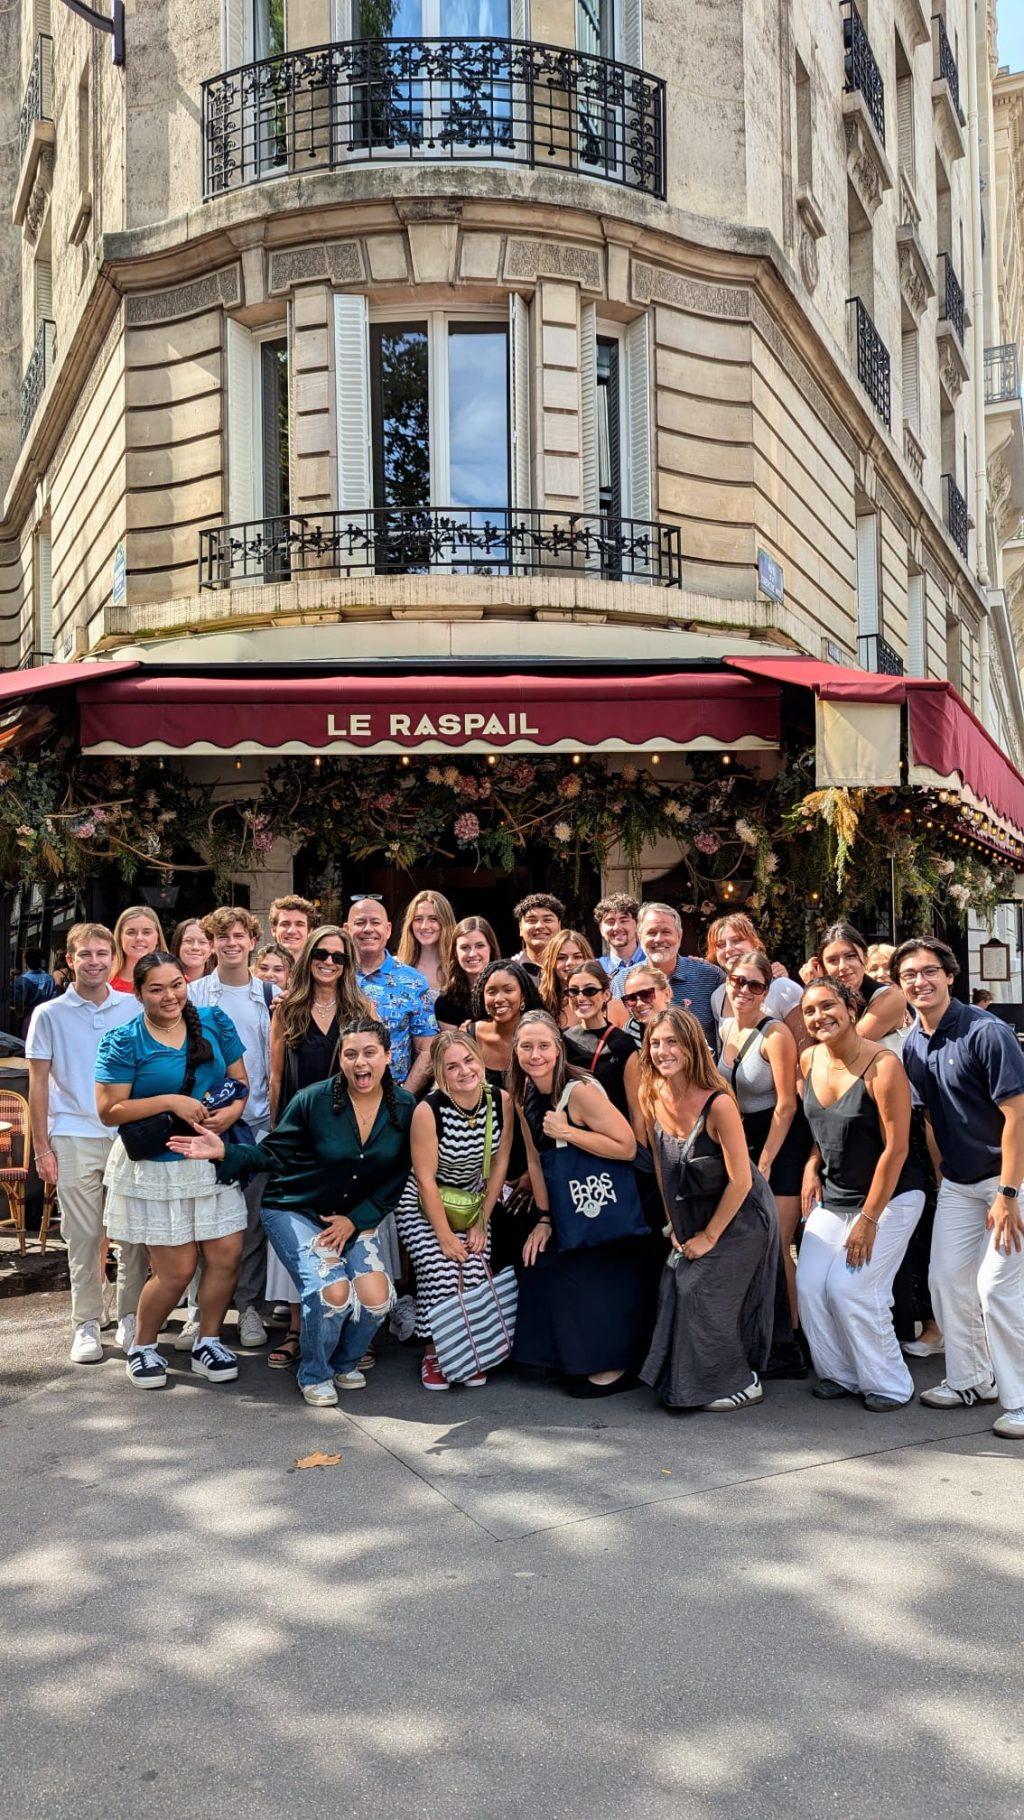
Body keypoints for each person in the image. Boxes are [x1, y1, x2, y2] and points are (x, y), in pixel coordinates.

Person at [171, 1018, 415, 1407]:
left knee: (376, 1298)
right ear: (341, 1059)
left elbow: (397, 1176)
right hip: (294, 1207)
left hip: (353, 1216)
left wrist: (356, 1219)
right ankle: (314, 1372)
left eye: (370, 1053)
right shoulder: (312, 1100)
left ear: (388, 1056)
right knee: (332, 1292)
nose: (359, 1063)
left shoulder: (404, 1107)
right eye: (350, 1054)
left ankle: (343, 1362)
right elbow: (272, 1154)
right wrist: (225, 1152)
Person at [95, 951, 249, 1389]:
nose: (170, 996)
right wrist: (170, 1102)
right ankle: (143, 1346)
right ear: (139, 992)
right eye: (157, 988)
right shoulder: (125, 1040)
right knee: (176, 1270)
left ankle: (209, 1339)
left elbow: (241, 1082)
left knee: (226, 1256)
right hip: (158, 1167)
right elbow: (109, 1110)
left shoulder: (215, 1021)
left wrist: (230, 1116)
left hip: (211, 1155)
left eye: (176, 984)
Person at [896, 937, 1024, 1440]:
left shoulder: (986, 1032)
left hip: (1008, 1182)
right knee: (946, 1280)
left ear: (950, 976)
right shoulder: (912, 1042)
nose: (920, 982)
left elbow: (1017, 1116)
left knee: (997, 1288)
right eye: (909, 975)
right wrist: (944, 1171)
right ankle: (971, 1379)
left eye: (929, 971)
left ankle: (1020, 1400)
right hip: (960, 1181)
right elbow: (930, 1117)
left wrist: (1009, 1193)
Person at [638, 1007, 778, 1412]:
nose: (663, 1050)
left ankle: (740, 1380)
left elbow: (741, 1181)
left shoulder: (718, 1103)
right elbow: (664, 1171)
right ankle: (682, 1382)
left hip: (741, 1218)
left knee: (699, 1286)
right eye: (656, 1043)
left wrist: (710, 1236)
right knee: (674, 1280)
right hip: (692, 1217)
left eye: (672, 1041)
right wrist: (675, 1228)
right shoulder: (651, 1095)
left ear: (691, 1046)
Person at [796, 978, 926, 1411]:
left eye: (828, 1005)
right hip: (835, 1195)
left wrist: (869, 1219)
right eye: (810, 1010)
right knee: (811, 1285)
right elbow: (820, 1126)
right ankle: (841, 1374)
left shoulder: (883, 1065)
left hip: (892, 1197)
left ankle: (889, 1383)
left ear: (852, 1009)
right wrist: (812, 1166)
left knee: (850, 1290)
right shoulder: (808, 1058)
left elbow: (898, 1146)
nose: (819, 1017)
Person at [511, 1010, 656, 1397]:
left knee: (601, 1280)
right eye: (527, 1046)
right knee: (545, 1260)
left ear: (558, 1049)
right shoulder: (525, 1092)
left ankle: (618, 1364)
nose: (535, 1054)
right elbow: (534, 1160)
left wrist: (568, 1132)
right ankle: (571, 1359)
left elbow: (627, 1146)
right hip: (570, 1204)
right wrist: (543, 1219)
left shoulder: (579, 1091)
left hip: (613, 1204)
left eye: (543, 1045)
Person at [26, 923, 146, 1364]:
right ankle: (86, 1323)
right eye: (85, 954)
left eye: (102, 953)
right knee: (83, 1234)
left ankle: (130, 1316)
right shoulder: (49, 1014)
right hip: (74, 1133)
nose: (94, 961)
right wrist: (42, 1148)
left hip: (127, 1132)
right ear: (70, 959)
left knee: (132, 1235)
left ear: (112, 958)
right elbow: (38, 1085)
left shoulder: (134, 1008)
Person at [266, 926, 373, 1370]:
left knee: (345, 1229)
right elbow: (275, 1078)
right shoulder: (287, 1010)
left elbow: (372, 1074)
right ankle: (297, 1327)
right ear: (308, 957)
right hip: (299, 1137)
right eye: (321, 955)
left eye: (339, 956)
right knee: (299, 1233)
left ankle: (352, 1328)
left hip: (348, 1137)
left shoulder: (361, 1008)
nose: (329, 962)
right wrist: (277, 1138)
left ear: (348, 963)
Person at [395, 1030, 514, 1389]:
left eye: (469, 1060)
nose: (464, 1071)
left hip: (473, 1200)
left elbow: (499, 1166)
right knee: (442, 1266)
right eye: (452, 1066)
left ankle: (466, 1348)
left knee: (476, 1262)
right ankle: (435, 1351)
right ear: (440, 1074)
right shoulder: (428, 1111)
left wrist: (481, 1222)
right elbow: (426, 1180)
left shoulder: (500, 1100)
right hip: (422, 1202)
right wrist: (445, 1236)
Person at [188, 907, 279, 1351]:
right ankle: (196, 1313)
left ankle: (249, 1310)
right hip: (206, 1124)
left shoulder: (270, 994)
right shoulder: (191, 994)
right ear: (210, 942)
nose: (230, 943)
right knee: (199, 1223)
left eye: (238, 935)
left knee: (251, 1225)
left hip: (258, 1124)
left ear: (252, 941)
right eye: (220, 936)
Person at [716, 948, 804, 1333]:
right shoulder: (725, 1029)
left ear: (766, 990)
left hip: (780, 1140)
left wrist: (766, 1160)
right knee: (750, 1239)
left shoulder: (777, 1034)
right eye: (738, 981)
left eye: (755, 984)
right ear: (728, 982)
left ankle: (794, 1334)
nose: (745, 990)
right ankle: (759, 1328)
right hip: (743, 1137)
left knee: (779, 1241)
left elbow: (787, 1106)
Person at [347, 896, 437, 1093]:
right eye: (360, 922)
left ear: (388, 930)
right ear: (347, 929)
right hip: (339, 1098)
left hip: (394, 1096)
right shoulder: (334, 974)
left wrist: (404, 1097)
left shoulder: (413, 981)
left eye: (375, 922)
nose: (368, 929)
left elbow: (427, 1049)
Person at [613, 903, 723, 1043]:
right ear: (640, 937)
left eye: (666, 932)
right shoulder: (622, 980)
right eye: (651, 933)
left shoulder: (710, 977)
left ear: (679, 936)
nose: (659, 939)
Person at [706, 914, 805, 1044]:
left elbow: (806, 1051)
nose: (729, 949)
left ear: (755, 945)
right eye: (721, 944)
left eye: (737, 940)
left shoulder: (783, 988)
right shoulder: (717, 997)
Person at [562, 961, 640, 1123]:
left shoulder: (623, 1044)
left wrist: (638, 1147)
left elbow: (636, 1111)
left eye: (589, 991)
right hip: (573, 1137)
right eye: (573, 991)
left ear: (606, 995)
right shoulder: (563, 1039)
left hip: (614, 1138)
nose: (581, 997)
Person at [818, 921, 907, 1049]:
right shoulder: (822, 999)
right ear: (822, 966)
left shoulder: (890, 998)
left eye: (850, 956)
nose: (843, 966)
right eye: (833, 960)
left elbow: (847, 1047)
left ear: (865, 958)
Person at [433, 916, 500, 1029]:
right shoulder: (445, 1003)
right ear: (455, 952)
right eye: (465, 947)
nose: (472, 953)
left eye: (480, 946)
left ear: (491, 948)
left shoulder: (508, 994)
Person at [395, 890, 457, 1001]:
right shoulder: (394, 966)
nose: (424, 926)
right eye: (418, 919)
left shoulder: (459, 967)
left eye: (433, 919)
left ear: (446, 922)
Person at [538, 930, 595, 1028]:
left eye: (577, 957)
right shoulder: (541, 1003)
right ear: (551, 963)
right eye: (561, 958)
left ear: (587, 960)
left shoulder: (603, 1001)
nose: (569, 962)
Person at [110, 907, 166, 994]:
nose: (139, 938)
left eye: (146, 932)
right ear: (120, 938)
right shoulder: (105, 982)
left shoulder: (176, 981)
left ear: (158, 938)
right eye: (131, 932)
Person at [618, 962, 675, 1048]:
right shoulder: (626, 1037)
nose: (639, 1003)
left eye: (646, 994)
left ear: (667, 994)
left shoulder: (686, 1028)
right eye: (631, 998)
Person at [510, 893, 565, 981]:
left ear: (559, 926)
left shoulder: (572, 967)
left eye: (547, 920)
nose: (539, 926)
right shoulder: (509, 971)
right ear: (520, 928)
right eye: (531, 920)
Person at [593, 892, 644, 981]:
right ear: (601, 929)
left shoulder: (654, 962)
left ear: (637, 925)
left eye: (624, 921)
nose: (617, 927)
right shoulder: (596, 970)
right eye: (610, 922)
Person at [13, 946, 56, 1036]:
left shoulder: (20, 980)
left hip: (28, 1020)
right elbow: (54, 1001)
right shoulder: (49, 979)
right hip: (46, 1020)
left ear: (26, 961)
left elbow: (19, 1008)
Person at [268, 894, 315, 960]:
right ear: (273, 931)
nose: (291, 931)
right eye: (285, 924)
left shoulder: (318, 969)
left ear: (310, 932)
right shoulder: (257, 970)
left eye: (299, 924)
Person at [170, 919, 214, 984]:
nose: (195, 947)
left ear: (211, 949)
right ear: (177, 945)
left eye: (202, 942)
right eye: (188, 941)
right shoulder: (163, 982)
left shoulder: (222, 985)